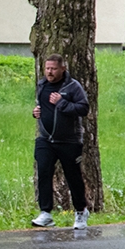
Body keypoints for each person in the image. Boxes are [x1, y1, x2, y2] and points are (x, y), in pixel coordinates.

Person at [31, 53, 90, 229]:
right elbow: (43, 106)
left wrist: (62, 103)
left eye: (53, 69)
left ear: (62, 68)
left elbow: (83, 108)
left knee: (73, 177)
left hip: (69, 141)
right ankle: (45, 212)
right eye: (47, 68)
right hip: (46, 140)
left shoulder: (72, 87)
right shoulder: (42, 84)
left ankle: (81, 211)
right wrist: (36, 112)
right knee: (43, 172)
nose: (49, 72)